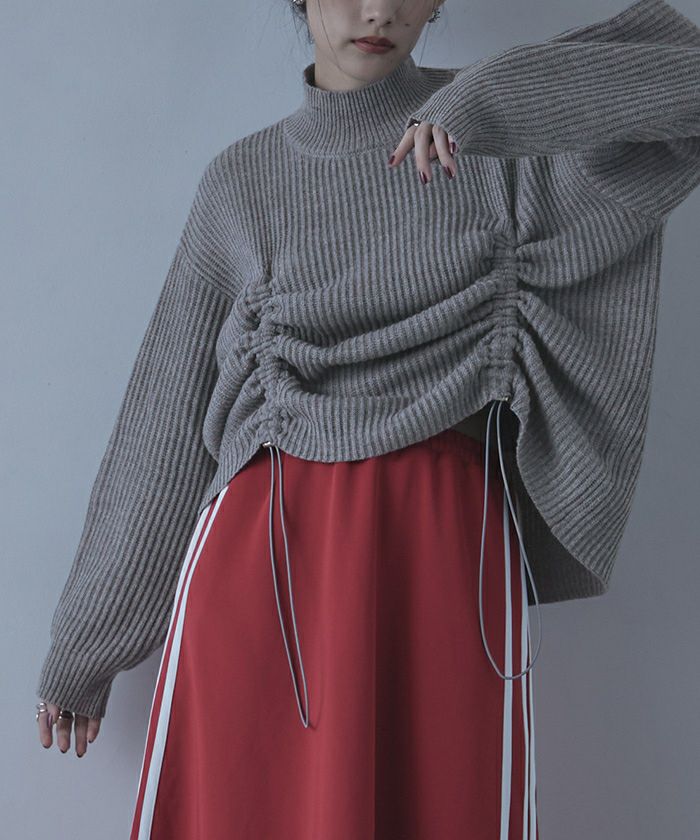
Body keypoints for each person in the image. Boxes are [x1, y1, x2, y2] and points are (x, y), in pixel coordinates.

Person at [35, 0, 699, 837]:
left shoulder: (503, 149)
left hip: (439, 566)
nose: (378, 10)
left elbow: (687, 85)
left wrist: (487, 103)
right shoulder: (240, 182)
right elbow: (163, 419)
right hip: (260, 574)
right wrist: (88, 643)